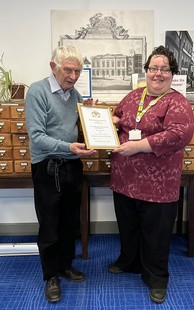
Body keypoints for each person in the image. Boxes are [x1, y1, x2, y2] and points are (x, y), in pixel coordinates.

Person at [108, 45, 194, 304]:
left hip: (158, 184)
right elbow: (119, 117)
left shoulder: (177, 102)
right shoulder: (133, 96)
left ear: (172, 74)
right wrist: (107, 120)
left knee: (156, 233)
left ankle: (156, 277)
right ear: (146, 71)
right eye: (153, 68)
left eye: (164, 69)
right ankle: (130, 262)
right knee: (129, 226)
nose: (158, 74)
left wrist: (138, 146)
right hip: (125, 180)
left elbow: (180, 134)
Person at [25, 45, 96, 303]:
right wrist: (68, 147)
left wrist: (89, 111)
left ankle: (65, 265)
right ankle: (51, 275)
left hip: (71, 165)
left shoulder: (74, 94)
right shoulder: (38, 91)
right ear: (53, 66)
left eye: (77, 71)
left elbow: (80, 123)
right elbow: (37, 136)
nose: (73, 76)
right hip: (48, 167)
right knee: (50, 225)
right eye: (68, 70)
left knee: (68, 222)